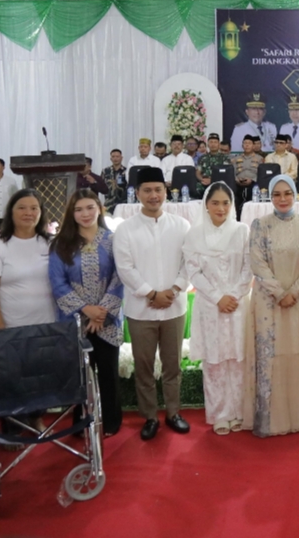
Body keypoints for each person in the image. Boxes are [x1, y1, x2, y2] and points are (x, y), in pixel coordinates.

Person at [112, 167, 192, 440]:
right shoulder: (125, 229)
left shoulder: (181, 226)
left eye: (158, 189)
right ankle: (149, 416)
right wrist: (151, 294)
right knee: (144, 366)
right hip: (141, 311)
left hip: (174, 306)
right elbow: (125, 268)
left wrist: (175, 289)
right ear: (137, 193)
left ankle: (173, 412)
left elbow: (189, 262)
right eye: (147, 190)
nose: (153, 195)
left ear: (165, 192)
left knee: (172, 365)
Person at [242, 175, 299, 436]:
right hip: (268, 302)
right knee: (270, 354)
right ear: (270, 197)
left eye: (287, 193)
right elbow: (257, 262)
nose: (283, 199)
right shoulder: (260, 225)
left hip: (297, 300)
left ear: (295, 195)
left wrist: (294, 292)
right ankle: (270, 420)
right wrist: (279, 293)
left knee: (296, 350)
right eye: (277, 194)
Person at [49, 189, 124, 436]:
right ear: (71, 214)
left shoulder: (113, 240)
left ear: (99, 209)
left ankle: (111, 422)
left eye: (90, 207)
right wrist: (86, 310)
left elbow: (120, 277)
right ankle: (81, 423)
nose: (85, 214)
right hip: (75, 320)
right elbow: (58, 283)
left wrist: (102, 313)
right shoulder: (61, 243)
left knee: (108, 373)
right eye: (78, 209)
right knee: (79, 375)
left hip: (107, 320)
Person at [183, 182, 252, 435]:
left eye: (225, 203)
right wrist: (217, 297)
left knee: (238, 359)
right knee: (215, 361)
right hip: (210, 306)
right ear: (206, 205)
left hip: (237, 304)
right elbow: (193, 271)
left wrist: (233, 295)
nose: (221, 208)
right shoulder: (194, 234)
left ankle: (240, 411)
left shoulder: (242, 231)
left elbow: (249, 266)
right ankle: (219, 414)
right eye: (215, 203)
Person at [0, 189, 55, 330]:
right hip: (13, 330)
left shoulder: (52, 244)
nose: (28, 213)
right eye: (21, 208)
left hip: (52, 327)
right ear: (11, 212)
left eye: (34, 208)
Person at [233, 135, 263, 214]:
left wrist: (252, 180)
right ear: (242, 145)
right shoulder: (236, 159)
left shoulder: (259, 159)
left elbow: (261, 173)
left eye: (249, 143)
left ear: (253, 146)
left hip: (253, 184)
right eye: (245, 143)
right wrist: (236, 179)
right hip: (238, 184)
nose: (247, 145)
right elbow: (232, 172)